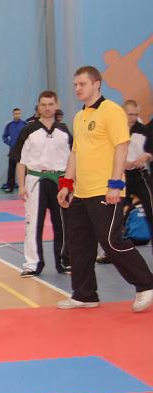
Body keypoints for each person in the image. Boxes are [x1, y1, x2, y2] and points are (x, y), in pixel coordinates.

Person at [56, 66, 153, 312]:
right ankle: (84, 294)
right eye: (75, 85)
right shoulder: (79, 117)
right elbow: (75, 153)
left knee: (112, 242)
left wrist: (115, 184)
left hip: (105, 190)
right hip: (82, 192)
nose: (77, 88)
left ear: (96, 84)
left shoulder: (111, 111)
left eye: (82, 84)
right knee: (79, 244)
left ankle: (146, 285)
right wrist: (66, 184)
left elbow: (121, 148)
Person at [14, 90, 72, 277]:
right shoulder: (29, 130)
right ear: (38, 107)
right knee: (33, 223)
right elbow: (20, 161)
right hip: (35, 180)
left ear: (56, 106)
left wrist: (71, 183)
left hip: (61, 180)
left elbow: (73, 159)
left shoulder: (64, 131)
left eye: (50, 104)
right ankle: (33, 263)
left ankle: (64, 261)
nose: (47, 108)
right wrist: (21, 186)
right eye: (43, 105)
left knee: (63, 223)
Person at [123, 100, 153, 246]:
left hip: (140, 175)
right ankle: (110, 250)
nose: (133, 118)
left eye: (136, 114)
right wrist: (122, 163)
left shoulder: (144, 130)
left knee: (150, 210)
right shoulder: (115, 130)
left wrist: (146, 156)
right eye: (130, 114)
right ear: (123, 113)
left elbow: (150, 152)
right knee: (115, 213)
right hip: (121, 175)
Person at [2, 108, 26, 193]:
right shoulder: (9, 125)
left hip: (22, 151)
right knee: (11, 169)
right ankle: (10, 187)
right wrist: (10, 143)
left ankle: (24, 187)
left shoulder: (24, 124)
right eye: (15, 114)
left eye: (18, 113)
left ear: (20, 114)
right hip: (12, 150)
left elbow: (28, 137)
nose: (17, 115)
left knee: (24, 169)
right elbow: (4, 137)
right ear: (13, 114)